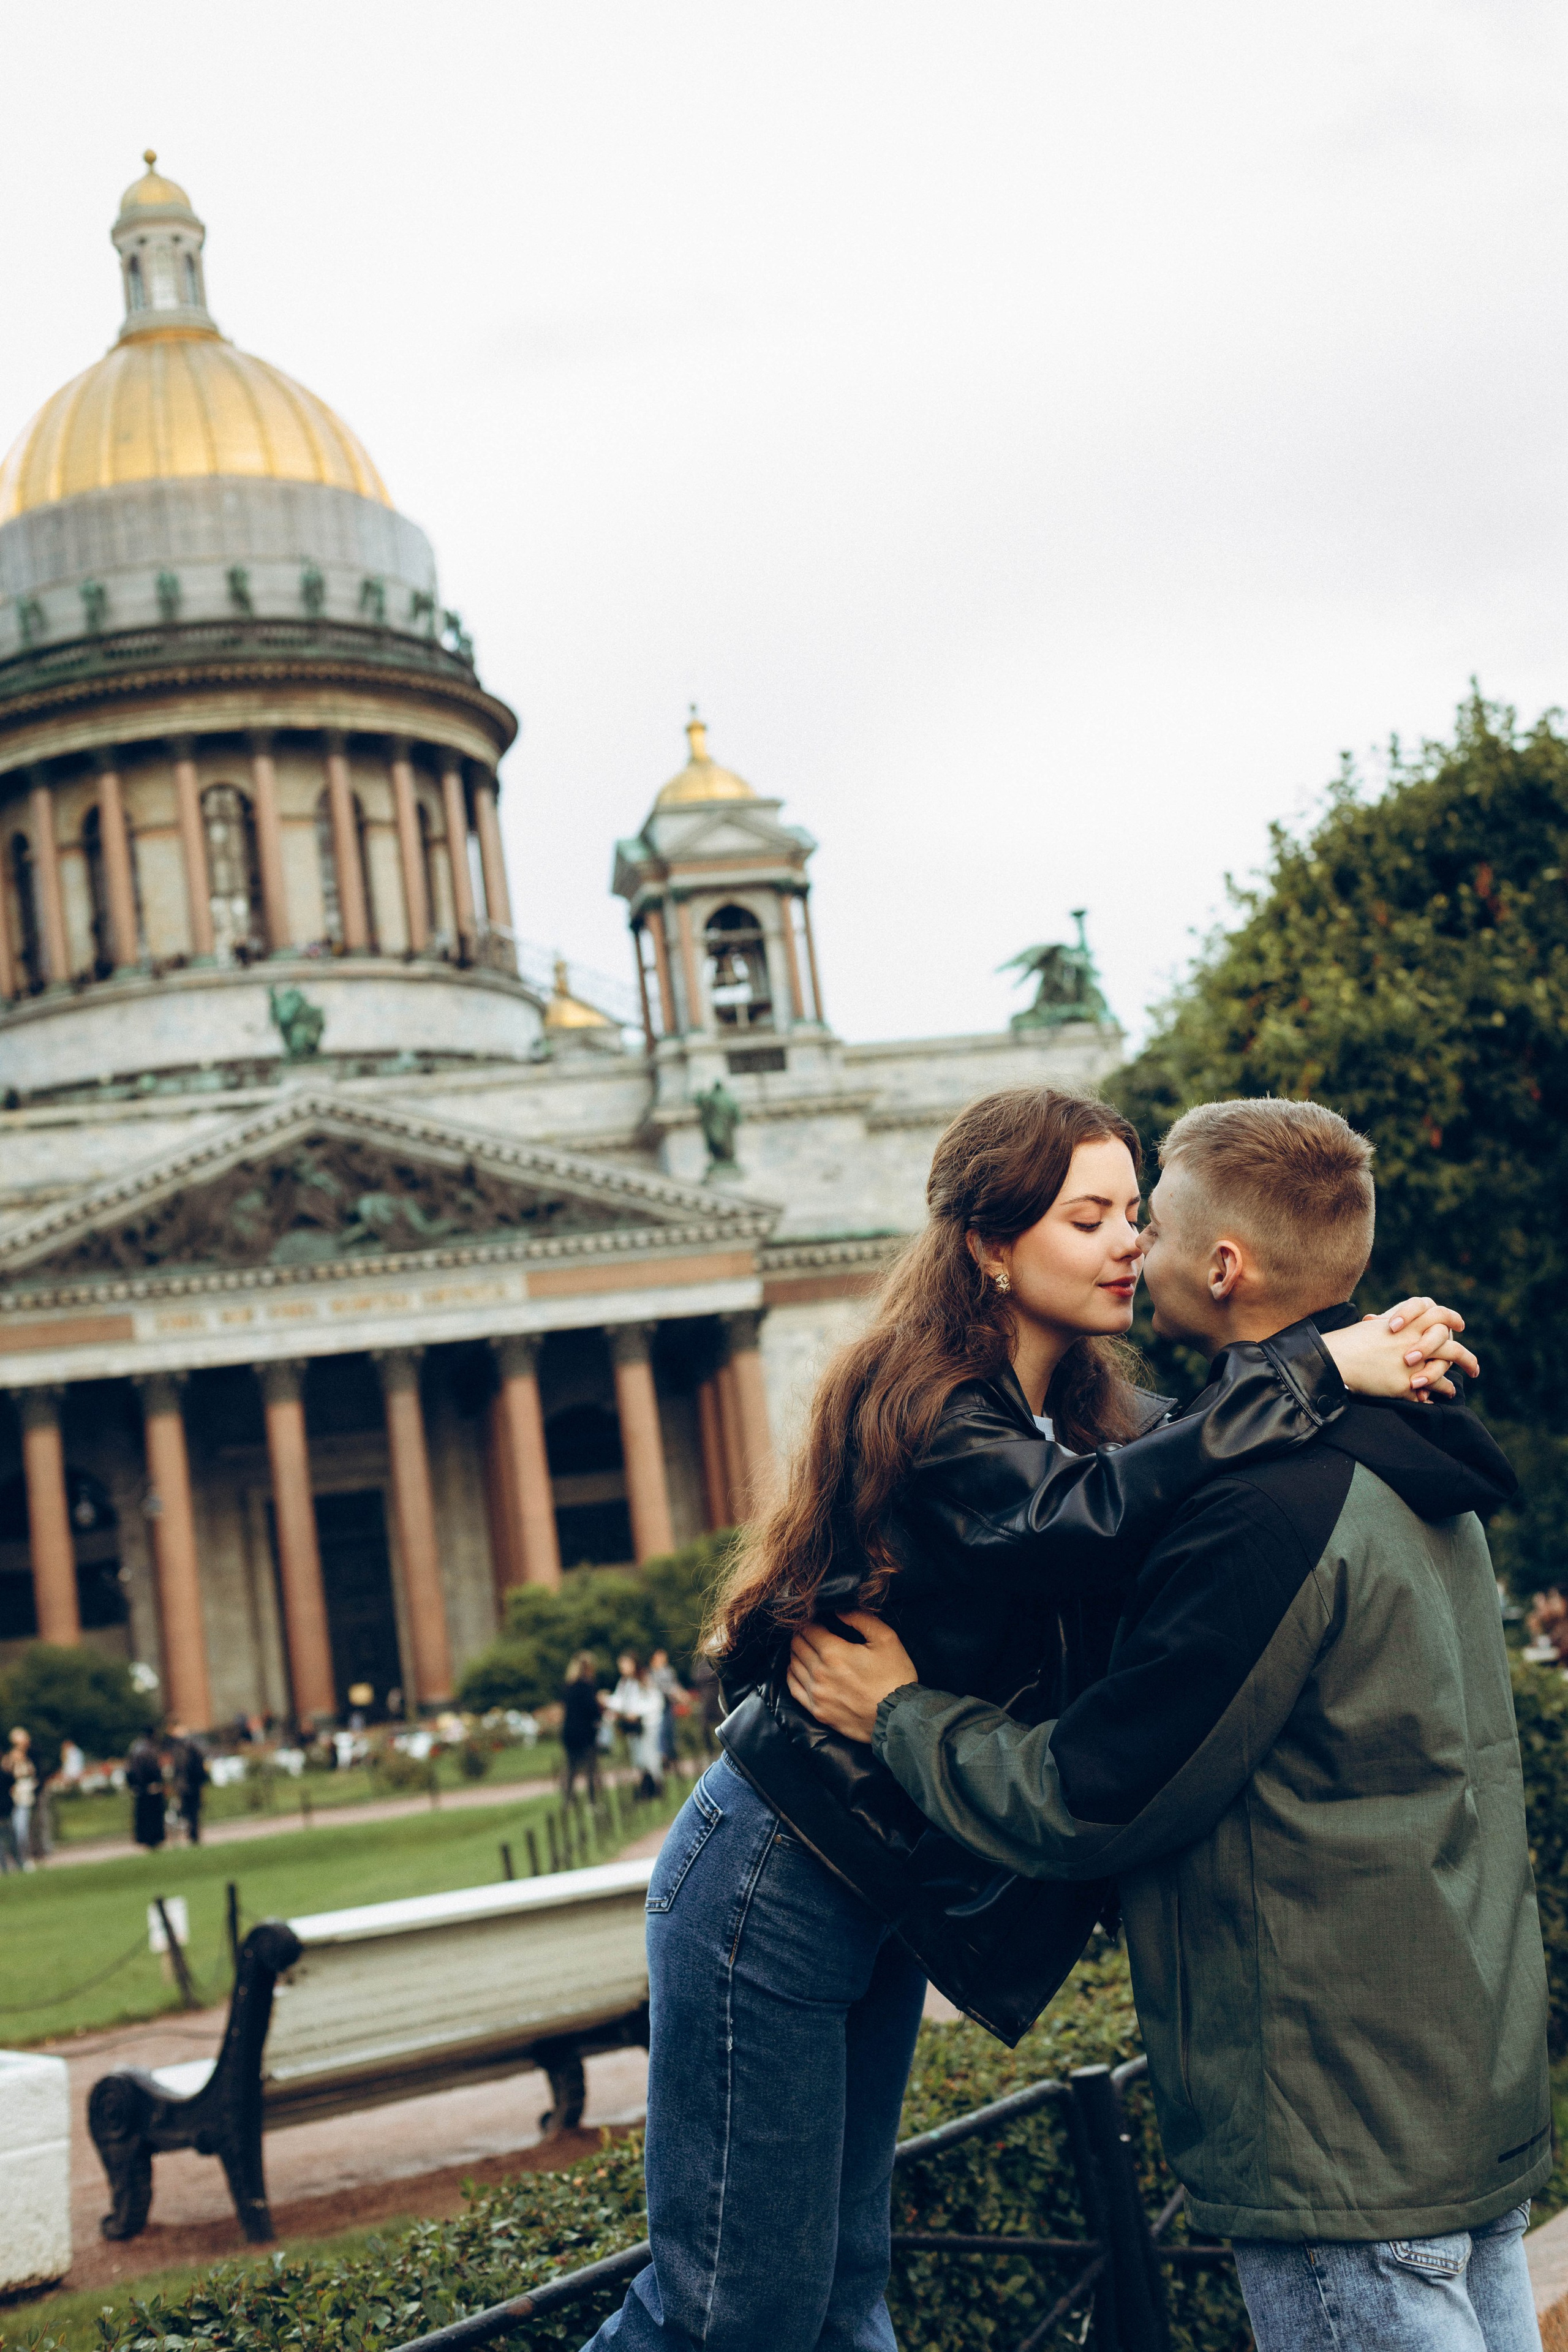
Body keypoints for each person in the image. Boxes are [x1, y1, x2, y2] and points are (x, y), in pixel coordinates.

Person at [582, 1085, 1472, 2352]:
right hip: (772, 1877)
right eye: (1088, 1217)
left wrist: (1375, 1356)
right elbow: (1073, 1520)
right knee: (726, 2311)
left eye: (1131, 1213)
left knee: (836, 2294)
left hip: (873, 1875)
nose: (1128, 1244)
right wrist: (1316, 1361)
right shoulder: (925, 1398)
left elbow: (1204, 1477)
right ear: (990, 1247)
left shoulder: (1094, 1416)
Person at [606, 1653, 666, 1800]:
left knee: (650, 1757)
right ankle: (646, 1788)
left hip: (647, 1724)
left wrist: (638, 1713)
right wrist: (607, 1700)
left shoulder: (645, 1680)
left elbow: (656, 1703)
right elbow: (621, 1702)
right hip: (633, 1727)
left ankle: (657, 1786)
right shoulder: (624, 1683)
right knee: (638, 1758)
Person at [561, 1653, 602, 1803]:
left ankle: (568, 1800)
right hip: (585, 1734)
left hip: (570, 1733)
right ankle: (592, 1801)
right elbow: (593, 1710)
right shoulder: (587, 1686)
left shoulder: (569, 1686)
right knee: (590, 1770)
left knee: (571, 1769)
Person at [0, 1728, 36, 1872]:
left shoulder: (25, 1758)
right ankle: (19, 1860)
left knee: (20, 1831)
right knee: (17, 1832)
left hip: (22, 1799)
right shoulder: (11, 1760)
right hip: (13, 1801)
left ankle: (20, 1860)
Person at [125, 1733, 166, 1852]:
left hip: (139, 1789)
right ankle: (154, 1840)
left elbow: (129, 1770)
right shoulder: (151, 1749)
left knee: (143, 1815)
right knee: (153, 1815)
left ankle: (145, 1839)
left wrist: (133, 1784)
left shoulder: (135, 1748)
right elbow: (154, 1768)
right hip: (151, 1787)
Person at [648, 1648, 685, 1770]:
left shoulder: (669, 1671)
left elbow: (676, 1685)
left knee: (670, 1732)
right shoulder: (651, 1673)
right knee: (661, 1732)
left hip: (668, 1706)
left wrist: (681, 1694)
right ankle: (664, 1756)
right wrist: (673, 1692)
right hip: (658, 1708)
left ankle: (671, 1755)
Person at [170, 1725, 206, 1844]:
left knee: (191, 1810)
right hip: (190, 1784)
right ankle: (193, 1833)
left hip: (187, 1784)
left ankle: (193, 1834)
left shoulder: (182, 1751)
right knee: (192, 1810)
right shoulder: (191, 1750)